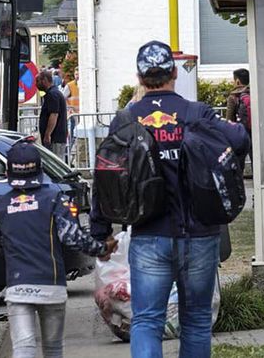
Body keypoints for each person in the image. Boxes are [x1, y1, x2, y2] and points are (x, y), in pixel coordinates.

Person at [91, 40, 249, 358]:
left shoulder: (126, 121)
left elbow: (104, 177)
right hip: (200, 236)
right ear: (174, 72)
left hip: (149, 236)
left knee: (147, 321)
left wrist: (101, 234)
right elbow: (239, 138)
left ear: (139, 77)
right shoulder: (196, 113)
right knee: (196, 321)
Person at [0, 141, 118, 358]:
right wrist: (102, 248)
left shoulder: (1, 205)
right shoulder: (55, 200)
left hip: (18, 288)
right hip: (51, 286)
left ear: (8, 172)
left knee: (23, 347)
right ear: (39, 169)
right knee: (53, 349)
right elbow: (73, 239)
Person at [36, 71, 68, 157]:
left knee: (55, 163)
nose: (36, 84)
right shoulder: (54, 93)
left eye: (38, 81)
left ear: (44, 80)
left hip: (55, 138)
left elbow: (54, 115)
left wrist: (47, 134)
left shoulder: (52, 94)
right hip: (57, 137)